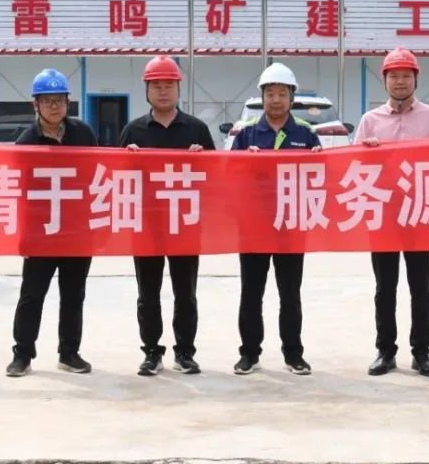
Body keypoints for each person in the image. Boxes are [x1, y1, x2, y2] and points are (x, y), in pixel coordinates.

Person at [119, 56, 216, 376]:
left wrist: (202, 161)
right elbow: (116, 179)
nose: (163, 91)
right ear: (146, 90)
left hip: (185, 223)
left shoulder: (196, 130)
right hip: (147, 224)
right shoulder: (133, 131)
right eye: (157, 86)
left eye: (169, 85)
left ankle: (185, 352)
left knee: (185, 293)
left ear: (178, 89)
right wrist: (128, 160)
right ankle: (151, 351)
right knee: (148, 294)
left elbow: (215, 178)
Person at [355, 47, 429, 378]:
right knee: (385, 288)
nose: (400, 82)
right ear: (384, 80)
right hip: (383, 213)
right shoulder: (370, 120)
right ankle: (385, 351)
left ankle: (422, 353)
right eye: (393, 76)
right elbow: (353, 166)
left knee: (420, 286)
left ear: (416, 79)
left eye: (406, 75)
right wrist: (366, 153)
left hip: (420, 211)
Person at [6, 68, 98, 377]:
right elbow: (18, 191)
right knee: (32, 295)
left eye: (60, 100)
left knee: (73, 295)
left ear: (68, 102)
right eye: (47, 101)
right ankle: (22, 354)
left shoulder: (84, 134)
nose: (54, 106)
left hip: (76, 230)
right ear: (36, 104)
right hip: (40, 232)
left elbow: (98, 172)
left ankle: (69, 353)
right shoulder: (26, 142)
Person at [231, 62, 320, 376]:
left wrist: (317, 162)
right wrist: (245, 164)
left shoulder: (306, 134)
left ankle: (294, 355)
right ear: (262, 97)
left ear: (292, 98)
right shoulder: (246, 133)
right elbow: (228, 176)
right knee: (251, 294)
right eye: (270, 93)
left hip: (290, 226)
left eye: (282, 93)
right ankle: (249, 354)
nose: (276, 100)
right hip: (253, 227)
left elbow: (323, 177)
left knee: (290, 294)